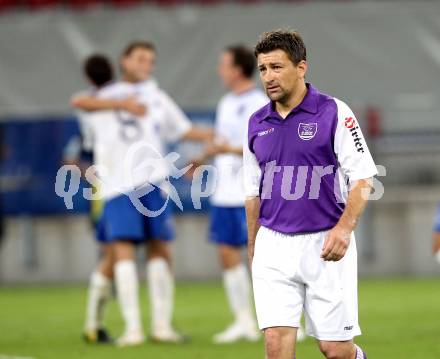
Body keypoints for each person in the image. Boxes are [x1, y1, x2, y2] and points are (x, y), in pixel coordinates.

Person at [243, 30, 377, 359]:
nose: (268, 77)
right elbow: (252, 194)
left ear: (301, 67)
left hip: (325, 245)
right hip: (273, 246)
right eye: (262, 69)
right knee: (275, 343)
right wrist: (254, 247)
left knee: (334, 349)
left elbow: (363, 177)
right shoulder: (256, 123)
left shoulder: (334, 112)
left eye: (276, 67)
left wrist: (344, 229)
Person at [72, 41, 213, 346]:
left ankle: (161, 326)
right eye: (140, 59)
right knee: (121, 251)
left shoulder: (157, 97)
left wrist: (213, 135)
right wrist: (122, 104)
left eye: (150, 60)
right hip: (118, 185)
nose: (145, 65)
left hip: (154, 183)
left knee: (160, 250)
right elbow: (79, 102)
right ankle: (132, 329)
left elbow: (182, 129)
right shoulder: (106, 94)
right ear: (124, 61)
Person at [189, 45, 267, 343]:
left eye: (223, 64)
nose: (219, 70)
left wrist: (227, 149)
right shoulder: (225, 103)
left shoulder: (258, 102)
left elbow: (262, 145)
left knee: (261, 258)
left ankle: (279, 320)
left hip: (249, 191)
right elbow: (222, 142)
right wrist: (202, 158)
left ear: (236, 69)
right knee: (226, 253)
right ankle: (243, 320)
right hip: (224, 191)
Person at [68, 54, 118, 344]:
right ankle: (94, 323)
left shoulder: (89, 107)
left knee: (111, 252)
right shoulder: (122, 100)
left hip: (104, 186)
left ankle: (96, 322)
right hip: (117, 185)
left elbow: (73, 155)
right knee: (113, 252)